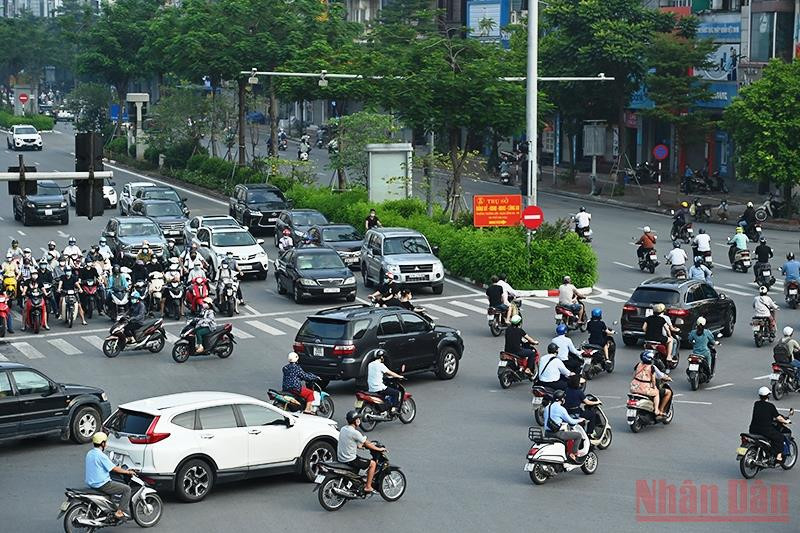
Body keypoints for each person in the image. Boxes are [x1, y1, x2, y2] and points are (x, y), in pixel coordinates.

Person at [85, 432, 136, 520]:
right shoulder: (101, 455)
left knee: (112, 494)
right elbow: (114, 469)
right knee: (126, 489)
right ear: (102, 443)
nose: (106, 444)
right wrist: (128, 472)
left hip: (91, 483)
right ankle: (120, 512)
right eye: (106, 442)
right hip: (102, 484)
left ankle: (109, 512)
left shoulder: (89, 453)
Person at [338, 411, 386, 493]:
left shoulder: (343, 429)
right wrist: (379, 449)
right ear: (355, 421)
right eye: (358, 419)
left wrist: (359, 446)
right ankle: (368, 487)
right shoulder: (355, 432)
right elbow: (367, 443)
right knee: (373, 464)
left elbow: (350, 441)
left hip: (341, 457)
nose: (359, 420)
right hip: (350, 459)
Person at [748, 387, 791, 463]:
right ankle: (778, 457)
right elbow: (778, 418)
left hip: (753, 429)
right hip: (765, 430)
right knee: (780, 437)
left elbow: (763, 414)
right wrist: (785, 421)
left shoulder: (756, 404)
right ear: (768, 395)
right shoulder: (770, 406)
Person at [543, 389, 585, 462]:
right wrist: (580, 420)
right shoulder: (560, 409)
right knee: (578, 435)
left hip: (547, 432)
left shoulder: (547, 407)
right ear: (562, 399)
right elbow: (570, 421)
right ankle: (574, 454)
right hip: (556, 434)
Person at [630, 350, 672, 417]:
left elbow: (633, 375)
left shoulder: (638, 365)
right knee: (657, 393)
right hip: (644, 389)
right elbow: (655, 378)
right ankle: (656, 410)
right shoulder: (652, 367)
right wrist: (655, 386)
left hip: (634, 388)